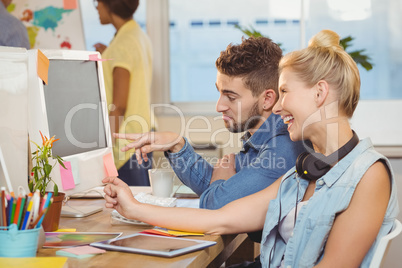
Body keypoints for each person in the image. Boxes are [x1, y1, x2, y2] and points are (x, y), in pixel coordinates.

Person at [103, 29, 399, 267]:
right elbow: (218, 218)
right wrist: (135, 207)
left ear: (320, 93)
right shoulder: (305, 170)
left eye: (285, 93)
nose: (279, 106)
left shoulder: (368, 174)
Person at [114, 37, 305, 211]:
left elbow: (215, 203)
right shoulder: (262, 137)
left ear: (267, 99)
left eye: (231, 97)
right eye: (219, 93)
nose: (219, 106)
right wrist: (177, 145)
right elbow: (220, 189)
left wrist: (221, 179)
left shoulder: (281, 149)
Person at [94, 0, 153, 186]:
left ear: (109, 5)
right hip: (142, 132)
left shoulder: (122, 44)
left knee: (128, 209)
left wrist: (106, 151)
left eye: (97, 2)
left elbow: (118, 105)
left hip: (125, 143)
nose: (96, 8)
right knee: (141, 202)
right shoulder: (137, 35)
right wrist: (108, 53)